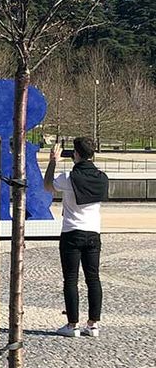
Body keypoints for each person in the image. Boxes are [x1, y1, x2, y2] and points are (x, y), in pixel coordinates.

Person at [44, 136, 109, 338]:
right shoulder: (101, 177)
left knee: (71, 279)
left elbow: (48, 186)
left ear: (76, 154)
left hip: (72, 232)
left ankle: (72, 325)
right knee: (93, 278)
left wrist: (52, 161)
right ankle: (93, 324)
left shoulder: (68, 177)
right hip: (93, 233)